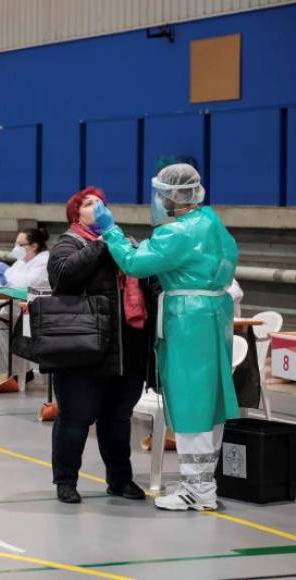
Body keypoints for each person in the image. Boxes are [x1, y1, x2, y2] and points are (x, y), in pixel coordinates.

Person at [94, 164, 239, 511]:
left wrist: (110, 231)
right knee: (210, 401)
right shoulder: (211, 222)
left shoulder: (177, 233)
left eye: (161, 193)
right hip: (216, 315)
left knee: (191, 402)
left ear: (174, 196)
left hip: (188, 318)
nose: (157, 200)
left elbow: (134, 263)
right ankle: (204, 484)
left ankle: (197, 491)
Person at [47, 186, 152, 505]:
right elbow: (64, 277)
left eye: (101, 203)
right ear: (75, 213)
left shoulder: (125, 242)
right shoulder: (67, 244)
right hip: (83, 349)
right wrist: (104, 241)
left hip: (127, 348)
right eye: (89, 203)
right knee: (75, 419)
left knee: (118, 419)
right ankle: (66, 481)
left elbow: (146, 277)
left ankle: (120, 480)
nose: (98, 207)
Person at [0, 228, 52, 378]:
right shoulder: (23, 261)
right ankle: (6, 371)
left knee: (3, 326)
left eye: (20, 244)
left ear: (33, 246)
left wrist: (7, 276)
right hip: (18, 307)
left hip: (36, 311)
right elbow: (10, 279)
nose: (16, 248)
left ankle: (17, 373)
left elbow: (26, 283)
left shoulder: (44, 261)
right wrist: (6, 277)